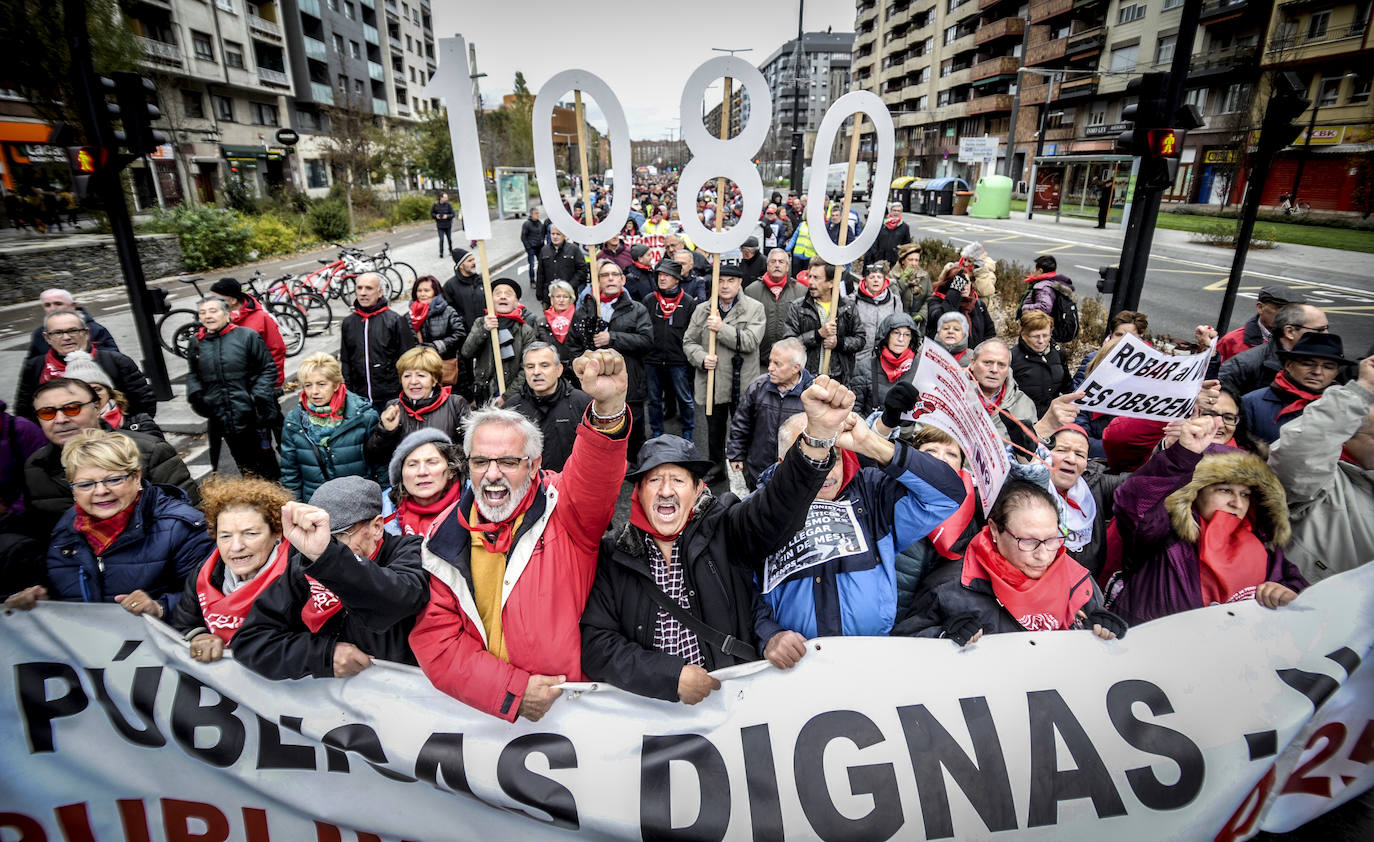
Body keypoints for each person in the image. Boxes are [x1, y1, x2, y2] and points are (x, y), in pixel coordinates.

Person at [580, 382, 851, 702]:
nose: (666, 490)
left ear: (696, 491)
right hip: (654, 716)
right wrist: (669, 676)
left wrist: (816, 440)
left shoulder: (724, 527)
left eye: (678, 480)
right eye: (654, 480)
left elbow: (775, 508)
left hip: (731, 711)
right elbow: (597, 646)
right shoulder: (616, 555)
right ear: (638, 493)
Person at [409, 350, 632, 722]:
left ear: (533, 464)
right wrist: (510, 690)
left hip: (577, 714)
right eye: (481, 462)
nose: (492, 474)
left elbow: (596, 472)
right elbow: (436, 641)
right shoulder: (443, 536)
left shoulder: (565, 508)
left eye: (508, 462)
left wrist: (607, 408)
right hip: (490, 720)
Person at [754, 400, 966, 638]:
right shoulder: (758, 509)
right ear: (784, 463)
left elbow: (948, 495)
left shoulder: (872, 494)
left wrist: (871, 444)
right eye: (810, 458)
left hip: (869, 654)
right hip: (797, 662)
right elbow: (740, 589)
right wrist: (768, 635)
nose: (826, 470)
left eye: (833, 455)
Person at [1112, 415, 1307, 624]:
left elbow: (1304, 599)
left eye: (1245, 494)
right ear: (1196, 492)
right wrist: (1181, 456)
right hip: (1150, 649)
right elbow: (1133, 503)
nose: (1236, 503)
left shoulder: (1266, 544)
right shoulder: (1163, 531)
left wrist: (1287, 594)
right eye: (1225, 490)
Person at [233, 476, 428, 679]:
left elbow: (399, 601)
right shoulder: (305, 564)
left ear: (377, 527)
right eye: (318, 535)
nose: (322, 544)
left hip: (403, 696)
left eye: (338, 536)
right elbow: (250, 641)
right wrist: (323, 655)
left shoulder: (410, 550)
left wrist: (329, 559)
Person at [5, 429, 212, 615]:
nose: (101, 491)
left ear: (136, 477)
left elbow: (212, 598)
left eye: (113, 479)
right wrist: (44, 601)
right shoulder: (68, 526)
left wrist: (159, 607)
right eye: (85, 485)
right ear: (73, 489)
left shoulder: (182, 527)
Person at [893, 482, 1125, 642]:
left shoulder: (1080, 582)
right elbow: (903, 646)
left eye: (1053, 539)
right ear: (995, 529)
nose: (1043, 556)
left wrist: (1102, 632)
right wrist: (943, 637)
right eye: (1028, 541)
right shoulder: (951, 587)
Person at [22, 379, 194, 536]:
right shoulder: (35, 467)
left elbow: (191, 518)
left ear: (97, 407)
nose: (60, 419)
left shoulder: (149, 451)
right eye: (47, 413)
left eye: (72, 408)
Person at [1267, 354, 1374, 584]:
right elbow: (1299, 457)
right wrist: (1363, 390)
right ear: (1344, 437)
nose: (1318, 371)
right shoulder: (1328, 484)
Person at [165, 477, 296, 661]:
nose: (236, 547)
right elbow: (184, 624)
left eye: (250, 534)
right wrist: (200, 636)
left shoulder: (299, 575)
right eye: (225, 536)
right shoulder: (205, 575)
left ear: (277, 532)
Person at [681, 265, 765, 482]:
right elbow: (689, 342)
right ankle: (716, 466)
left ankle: (744, 468)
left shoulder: (754, 309)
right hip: (713, 383)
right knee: (714, 430)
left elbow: (750, 341)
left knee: (744, 428)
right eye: (721, 280)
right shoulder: (703, 310)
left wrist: (721, 328)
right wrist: (701, 358)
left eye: (731, 281)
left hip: (742, 384)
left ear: (740, 284)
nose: (725, 286)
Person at [565, 261, 653, 462]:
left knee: (633, 430)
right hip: (595, 387)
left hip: (629, 384)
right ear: (597, 282)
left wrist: (612, 338)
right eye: (605, 275)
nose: (611, 278)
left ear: (623, 280)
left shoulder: (636, 309)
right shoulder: (584, 311)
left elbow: (647, 341)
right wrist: (585, 365)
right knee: (600, 430)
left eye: (615, 274)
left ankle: (634, 468)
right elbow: (573, 346)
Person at [185, 297, 280, 480]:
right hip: (222, 415)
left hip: (253, 414)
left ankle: (274, 497)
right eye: (203, 312)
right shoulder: (196, 342)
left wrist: (256, 396)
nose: (208, 316)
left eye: (213, 311)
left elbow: (268, 368)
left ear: (227, 314)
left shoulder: (247, 336)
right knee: (243, 463)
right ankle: (253, 498)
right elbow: (193, 373)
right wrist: (197, 396)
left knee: (266, 463)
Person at [15, 308, 156, 422]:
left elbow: (144, 404)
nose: (66, 337)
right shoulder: (36, 367)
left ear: (86, 333)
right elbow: (24, 411)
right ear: (47, 338)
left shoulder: (115, 362)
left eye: (73, 330)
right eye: (58, 332)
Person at [279, 353, 380, 501]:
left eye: (321, 384)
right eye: (308, 385)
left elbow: (380, 464)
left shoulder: (364, 417)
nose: (314, 392)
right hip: (317, 507)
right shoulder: (294, 422)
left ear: (336, 384)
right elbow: (290, 474)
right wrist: (297, 509)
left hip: (359, 503)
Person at [366, 346, 472, 469]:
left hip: (448, 480)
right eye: (407, 376)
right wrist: (385, 431)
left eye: (421, 375)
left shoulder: (455, 404)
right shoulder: (393, 408)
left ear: (434, 380)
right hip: (407, 483)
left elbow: (471, 449)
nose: (413, 381)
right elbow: (374, 458)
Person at [728, 338, 813, 491]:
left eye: (777, 364)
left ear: (796, 368)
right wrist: (735, 454)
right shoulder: (758, 387)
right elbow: (741, 422)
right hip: (758, 470)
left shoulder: (812, 395)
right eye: (770, 362)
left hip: (794, 473)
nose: (770, 368)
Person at [1241, 333, 1347, 443]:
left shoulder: (1345, 407)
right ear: (1289, 365)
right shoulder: (1251, 403)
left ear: (1336, 373)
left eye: (1328, 367)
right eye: (1308, 364)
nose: (1317, 372)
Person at [503, 343, 593, 472]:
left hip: (570, 484)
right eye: (530, 366)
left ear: (559, 369)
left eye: (544, 365)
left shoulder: (582, 403)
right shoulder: (512, 408)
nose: (536, 372)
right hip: (528, 485)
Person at [461, 277, 549, 406]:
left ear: (516, 302)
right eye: (498, 293)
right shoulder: (480, 323)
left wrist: (507, 396)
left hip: (515, 396)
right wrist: (484, 330)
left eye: (508, 294)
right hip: (485, 395)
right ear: (490, 300)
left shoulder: (526, 331)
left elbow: (526, 368)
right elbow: (467, 352)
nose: (503, 297)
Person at [340, 273, 417, 412]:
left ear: (380, 292)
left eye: (369, 288)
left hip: (390, 399)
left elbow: (409, 360)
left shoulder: (395, 321)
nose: (363, 293)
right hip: (360, 399)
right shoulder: (348, 323)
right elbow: (346, 361)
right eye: (359, 288)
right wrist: (349, 393)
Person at [643, 258, 699, 442]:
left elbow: (694, 333)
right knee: (653, 400)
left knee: (685, 398)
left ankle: (688, 431)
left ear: (677, 279)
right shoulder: (650, 300)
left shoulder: (689, 302)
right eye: (660, 275)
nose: (662, 278)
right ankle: (657, 432)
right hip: (653, 359)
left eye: (667, 275)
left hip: (678, 360)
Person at [1220, 303, 1329, 397]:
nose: (1327, 334)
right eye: (1320, 330)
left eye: (1326, 328)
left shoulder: (1333, 362)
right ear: (1289, 332)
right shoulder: (1243, 365)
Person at [784, 259, 865, 383]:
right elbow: (789, 344)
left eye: (816, 278)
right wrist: (817, 335)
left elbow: (860, 339)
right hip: (806, 378)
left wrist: (840, 343)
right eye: (809, 276)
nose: (810, 282)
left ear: (831, 283)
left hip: (837, 378)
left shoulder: (847, 307)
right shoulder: (798, 307)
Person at [62, 350, 163, 440]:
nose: (92, 396)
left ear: (109, 392)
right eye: (83, 390)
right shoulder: (65, 431)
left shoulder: (140, 423)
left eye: (97, 389)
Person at [383, 429, 464, 537]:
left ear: (451, 470)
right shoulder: (382, 513)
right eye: (412, 464)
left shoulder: (472, 507)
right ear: (401, 475)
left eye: (432, 462)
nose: (422, 472)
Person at [209, 277, 287, 389]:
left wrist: (276, 383)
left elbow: (276, 350)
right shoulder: (215, 319)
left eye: (216, 299)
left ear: (232, 300)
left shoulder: (261, 318)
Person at [745, 248, 809, 368]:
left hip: (790, 363)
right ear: (767, 265)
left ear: (788, 266)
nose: (777, 265)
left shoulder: (801, 291)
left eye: (781, 262)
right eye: (773, 262)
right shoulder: (751, 290)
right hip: (759, 362)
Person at [967, 339, 1038, 440]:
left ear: (1008, 369)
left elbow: (1033, 449)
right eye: (987, 362)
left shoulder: (1024, 404)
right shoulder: (950, 392)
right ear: (973, 363)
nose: (994, 370)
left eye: (1001, 365)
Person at [852, 313, 919, 416]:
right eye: (896, 333)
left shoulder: (919, 367)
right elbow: (854, 409)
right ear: (886, 336)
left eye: (906, 334)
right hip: (872, 429)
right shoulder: (864, 367)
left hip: (908, 431)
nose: (901, 339)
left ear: (911, 338)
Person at [24, 288, 119, 359]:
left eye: (58, 303)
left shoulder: (96, 330)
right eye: (47, 305)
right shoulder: (39, 334)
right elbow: (32, 368)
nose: (52, 308)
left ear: (73, 306)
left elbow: (113, 359)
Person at [1011, 310, 1072, 418]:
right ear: (1023, 334)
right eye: (1035, 336)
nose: (1041, 341)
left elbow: (1067, 386)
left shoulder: (1058, 353)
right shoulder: (1012, 357)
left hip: (1053, 416)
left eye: (1045, 335)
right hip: (1024, 419)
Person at [1215, 285, 1298, 363]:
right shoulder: (1231, 341)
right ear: (1260, 307)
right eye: (1280, 309)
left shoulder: (1298, 341)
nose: (1286, 316)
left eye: (1291, 311)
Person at [408, 274, 467, 378]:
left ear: (435, 292)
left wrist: (438, 346)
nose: (422, 294)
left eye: (426, 291)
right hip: (420, 368)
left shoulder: (448, 311)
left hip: (445, 366)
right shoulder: (410, 315)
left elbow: (460, 334)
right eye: (419, 291)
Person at [927, 262, 995, 349]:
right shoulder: (935, 301)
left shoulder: (978, 304)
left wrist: (980, 353)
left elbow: (990, 332)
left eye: (967, 282)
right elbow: (942, 317)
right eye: (960, 283)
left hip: (973, 356)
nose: (964, 287)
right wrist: (955, 292)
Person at [850, 262, 904, 371]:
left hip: (884, 357)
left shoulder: (895, 301)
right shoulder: (852, 300)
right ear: (865, 280)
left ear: (884, 281)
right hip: (857, 357)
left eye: (879, 277)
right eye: (872, 277)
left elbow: (899, 327)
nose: (876, 280)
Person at [536, 226, 589, 305]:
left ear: (564, 235)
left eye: (558, 234)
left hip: (568, 296)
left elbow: (582, 270)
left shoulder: (573, 249)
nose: (555, 237)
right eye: (553, 234)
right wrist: (539, 294)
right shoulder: (544, 250)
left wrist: (569, 285)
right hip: (549, 297)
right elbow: (540, 273)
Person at [1019, 255, 1075, 320]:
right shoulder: (1054, 281)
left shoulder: (1043, 287)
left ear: (1040, 271)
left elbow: (1045, 307)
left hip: (1039, 325)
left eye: (1035, 269)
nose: (1034, 272)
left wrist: (1025, 307)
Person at [542, 280, 579, 371]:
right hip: (551, 369)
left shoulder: (579, 319)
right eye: (558, 296)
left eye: (565, 296)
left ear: (571, 299)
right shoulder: (542, 322)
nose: (561, 300)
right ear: (551, 299)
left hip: (576, 368)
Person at [866, 202, 912, 268]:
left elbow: (907, 245)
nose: (896, 213)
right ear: (890, 211)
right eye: (894, 210)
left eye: (898, 211)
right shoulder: (881, 225)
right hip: (880, 259)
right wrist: (875, 254)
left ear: (901, 212)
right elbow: (875, 241)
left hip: (895, 261)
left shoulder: (905, 227)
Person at [894, 243, 933, 320]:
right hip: (898, 318)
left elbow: (929, 298)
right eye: (910, 260)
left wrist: (922, 314)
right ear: (902, 260)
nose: (914, 264)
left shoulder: (924, 276)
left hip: (917, 321)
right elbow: (893, 297)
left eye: (916, 260)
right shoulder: (893, 276)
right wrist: (903, 280)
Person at [520, 207, 545, 281]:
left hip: (539, 247)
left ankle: (540, 280)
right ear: (531, 214)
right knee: (532, 265)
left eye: (538, 213)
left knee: (541, 265)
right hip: (531, 248)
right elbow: (523, 237)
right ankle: (532, 280)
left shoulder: (539, 223)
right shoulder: (527, 224)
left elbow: (542, 233)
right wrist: (528, 247)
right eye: (536, 213)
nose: (537, 215)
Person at [431, 192, 455, 258]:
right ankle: (441, 253)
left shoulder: (448, 205)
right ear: (441, 198)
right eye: (445, 197)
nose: (447, 198)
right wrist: (436, 216)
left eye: (447, 197)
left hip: (448, 225)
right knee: (441, 239)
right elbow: (432, 214)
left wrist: (447, 216)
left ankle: (450, 250)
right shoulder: (435, 205)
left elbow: (453, 214)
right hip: (440, 226)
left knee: (449, 239)